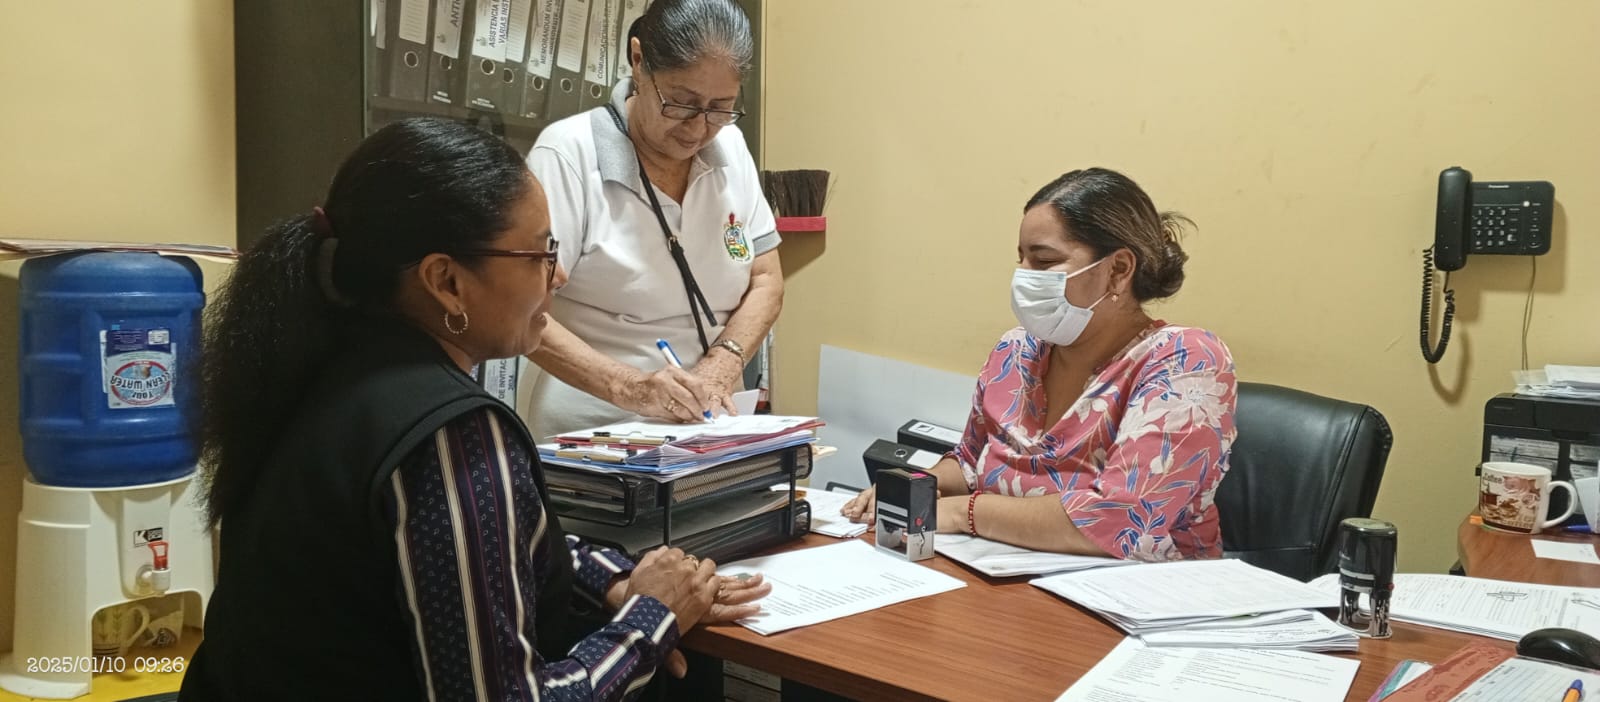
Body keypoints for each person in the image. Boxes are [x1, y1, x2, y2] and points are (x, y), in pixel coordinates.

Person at [182, 118, 769, 701]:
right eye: (540, 253)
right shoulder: (449, 434)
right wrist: (651, 620)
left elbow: (469, 555)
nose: (560, 275)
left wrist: (613, 579)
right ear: (446, 281)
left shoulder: (318, 364)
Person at [843, 168, 1237, 562]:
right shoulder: (1016, 351)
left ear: (1118, 270)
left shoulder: (1186, 360)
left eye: (1044, 260)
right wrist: (916, 487)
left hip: (1136, 589)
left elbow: (1119, 520)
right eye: (1022, 259)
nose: (1024, 277)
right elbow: (970, 462)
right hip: (1004, 571)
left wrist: (963, 513)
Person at [522, 0, 782, 438]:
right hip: (595, 433)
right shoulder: (567, 154)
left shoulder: (732, 147)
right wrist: (633, 388)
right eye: (680, 103)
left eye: (720, 108)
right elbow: (521, 308)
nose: (698, 129)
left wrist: (723, 364)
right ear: (638, 61)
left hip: (709, 429)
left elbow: (766, 279)